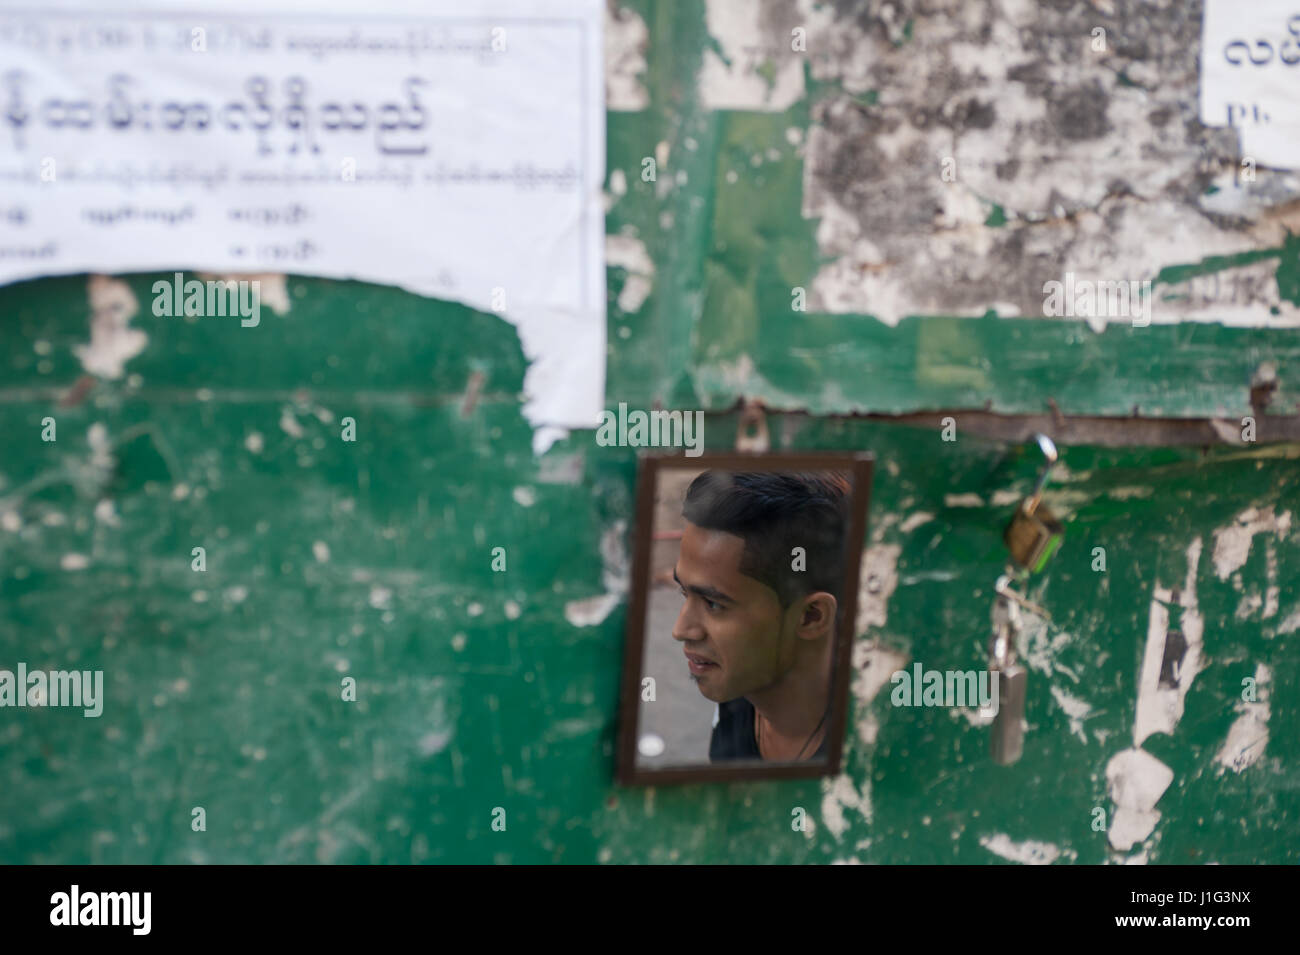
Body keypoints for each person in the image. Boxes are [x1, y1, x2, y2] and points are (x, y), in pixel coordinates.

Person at [670, 470, 849, 762]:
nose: (681, 629)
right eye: (684, 593)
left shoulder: (865, 762)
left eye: (714, 604)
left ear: (811, 616)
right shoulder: (738, 693)